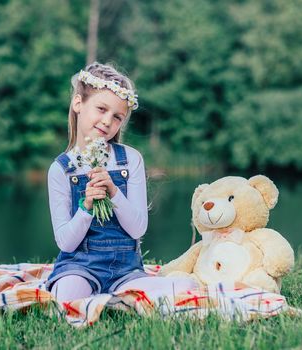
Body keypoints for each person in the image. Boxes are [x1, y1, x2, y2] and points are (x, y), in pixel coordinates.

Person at [46, 62, 198, 302]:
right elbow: (66, 242)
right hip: (79, 266)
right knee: (66, 298)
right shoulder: (61, 169)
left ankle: (122, 293)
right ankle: (106, 296)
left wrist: (114, 192)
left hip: (125, 270)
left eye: (117, 117)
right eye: (101, 109)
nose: (107, 121)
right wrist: (86, 206)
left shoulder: (130, 160)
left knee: (185, 289)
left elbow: (138, 228)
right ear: (78, 103)